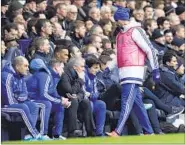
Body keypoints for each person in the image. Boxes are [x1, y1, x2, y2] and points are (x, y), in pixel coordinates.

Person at [107, 7, 160, 137]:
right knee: (137, 105)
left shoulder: (136, 31)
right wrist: (108, 68)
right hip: (124, 72)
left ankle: (118, 131)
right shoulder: (120, 35)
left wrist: (155, 69)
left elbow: (150, 50)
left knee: (126, 101)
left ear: (120, 19)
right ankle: (149, 131)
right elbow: (118, 55)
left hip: (133, 72)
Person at [27, 58, 71, 140]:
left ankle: (57, 135)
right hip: (30, 100)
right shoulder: (45, 75)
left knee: (59, 107)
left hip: (39, 99)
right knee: (46, 104)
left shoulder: (55, 76)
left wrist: (62, 99)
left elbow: (53, 92)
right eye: (62, 68)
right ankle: (42, 134)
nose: (63, 71)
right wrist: (59, 101)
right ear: (56, 67)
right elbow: (43, 94)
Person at [1, 56, 41, 141]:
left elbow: (25, 94)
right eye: (25, 66)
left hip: (14, 103)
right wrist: (19, 98)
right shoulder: (6, 76)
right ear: (17, 66)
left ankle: (28, 136)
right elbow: (9, 101)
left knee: (33, 106)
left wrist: (18, 97)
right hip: (3, 106)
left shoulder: (20, 75)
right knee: (23, 108)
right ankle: (35, 135)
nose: (28, 69)